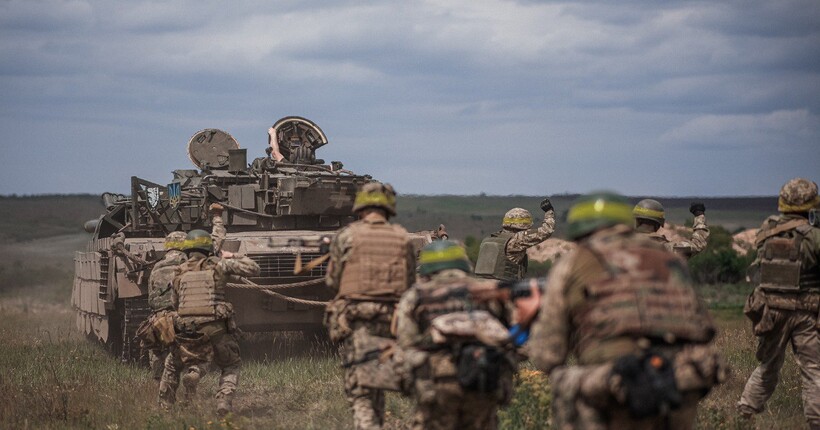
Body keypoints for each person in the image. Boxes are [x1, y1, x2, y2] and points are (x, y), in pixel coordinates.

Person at [525, 192, 725, 429]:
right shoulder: (672, 256)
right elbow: (704, 326)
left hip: (616, 384)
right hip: (678, 381)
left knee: (564, 381)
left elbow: (548, 354)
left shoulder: (574, 263)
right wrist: (699, 217)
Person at [324, 182, 416, 430]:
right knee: (378, 379)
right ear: (389, 207)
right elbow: (409, 283)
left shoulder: (347, 236)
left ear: (360, 206)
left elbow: (333, 281)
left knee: (361, 390)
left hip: (358, 319)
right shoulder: (403, 238)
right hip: (391, 319)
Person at [395, 240, 515, 430]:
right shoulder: (488, 291)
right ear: (463, 263)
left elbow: (406, 345)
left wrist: (409, 385)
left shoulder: (416, 296)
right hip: (483, 377)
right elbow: (514, 338)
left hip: (438, 383)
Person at [737, 177, 820, 428]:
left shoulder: (767, 229)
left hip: (771, 311)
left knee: (768, 366)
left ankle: (744, 413)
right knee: (813, 370)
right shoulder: (814, 237)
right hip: (807, 312)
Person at [157, 229, 260, 416]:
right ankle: (223, 401)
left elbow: (175, 303)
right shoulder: (219, 266)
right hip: (216, 329)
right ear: (208, 248)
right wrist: (231, 255)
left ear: (187, 250)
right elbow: (254, 268)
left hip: (187, 331)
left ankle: (166, 406)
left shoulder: (178, 272)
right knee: (230, 365)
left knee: (172, 365)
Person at [474, 198, 556, 281]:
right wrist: (549, 212)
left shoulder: (489, 239)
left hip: (480, 283)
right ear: (525, 224)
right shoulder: (517, 239)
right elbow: (546, 231)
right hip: (503, 285)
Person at [143, 230, 188, 380]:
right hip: (181, 315)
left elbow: (151, 296)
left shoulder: (156, 267)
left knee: (157, 350)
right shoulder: (188, 264)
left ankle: (158, 380)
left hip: (160, 316)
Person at [633, 199, 709, 258]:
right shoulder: (668, 249)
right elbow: (698, 244)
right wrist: (699, 215)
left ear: (637, 221)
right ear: (659, 224)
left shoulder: (623, 246)